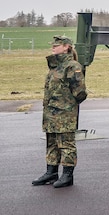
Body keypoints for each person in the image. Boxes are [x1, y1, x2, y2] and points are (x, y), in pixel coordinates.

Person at [32, 35, 87, 188]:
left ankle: (67, 175)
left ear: (66, 47)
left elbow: (80, 92)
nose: (53, 47)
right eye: (53, 45)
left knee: (66, 144)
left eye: (57, 45)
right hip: (51, 113)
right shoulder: (55, 66)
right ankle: (51, 172)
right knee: (52, 143)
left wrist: (68, 105)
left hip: (65, 113)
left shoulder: (72, 66)